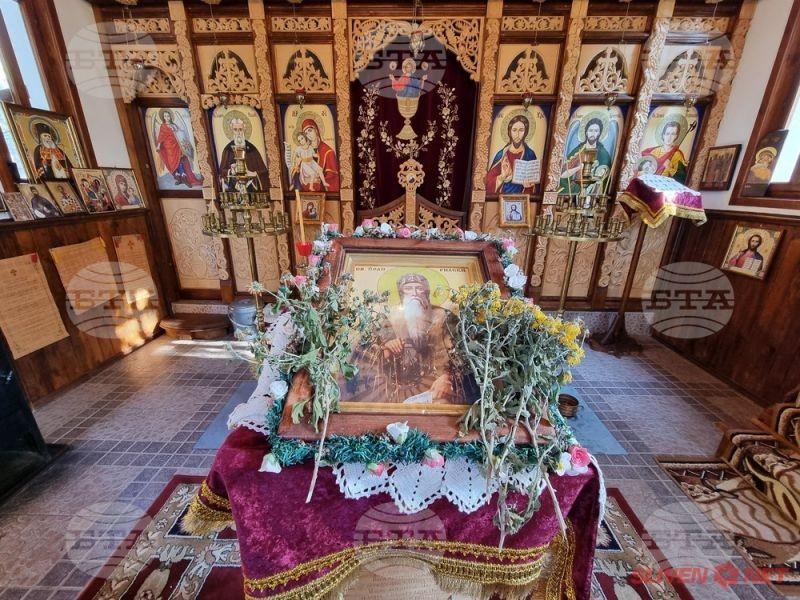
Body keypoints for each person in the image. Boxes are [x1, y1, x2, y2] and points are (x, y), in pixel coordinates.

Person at [344, 273, 459, 404]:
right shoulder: (387, 316)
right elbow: (364, 355)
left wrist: (448, 376)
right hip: (392, 389)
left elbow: (457, 352)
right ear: (401, 293)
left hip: (433, 387)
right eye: (408, 288)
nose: (414, 293)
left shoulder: (442, 316)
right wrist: (385, 350)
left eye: (419, 288)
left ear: (427, 292)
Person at [560, 117, 613, 193]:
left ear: (599, 133)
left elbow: (606, 171)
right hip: (576, 187)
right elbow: (563, 174)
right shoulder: (579, 150)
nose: (593, 134)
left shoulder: (602, 152)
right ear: (586, 132)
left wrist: (601, 172)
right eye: (590, 130)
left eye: (596, 131)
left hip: (593, 189)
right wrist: (578, 168)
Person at [487, 115, 537, 194]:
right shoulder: (501, 155)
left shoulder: (530, 155)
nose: (517, 134)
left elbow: (535, 183)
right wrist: (502, 177)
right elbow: (488, 182)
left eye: (521, 130)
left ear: (526, 132)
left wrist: (530, 186)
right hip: (501, 196)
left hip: (521, 197)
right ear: (509, 132)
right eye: (514, 130)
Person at [218, 116, 269, 192]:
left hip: (251, 188)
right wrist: (231, 171)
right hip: (234, 188)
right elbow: (222, 171)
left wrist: (254, 173)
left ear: (244, 130)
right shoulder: (228, 149)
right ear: (232, 130)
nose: (238, 132)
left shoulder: (251, 148)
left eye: (240, 129)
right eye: (235, 129)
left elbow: (263, 171)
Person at [155, 108, 202, 187]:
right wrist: (159, 145)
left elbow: (180, 133)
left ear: (170, 117)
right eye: (165, 116)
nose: (167, 118)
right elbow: (161, 136)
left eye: (168, 116)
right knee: (172, 163)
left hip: (176, 145)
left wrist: (175, 129)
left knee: (180, 160)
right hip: (168, 147)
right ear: (163, 117)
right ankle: (179, 178)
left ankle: (185, 179)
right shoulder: (163, 126)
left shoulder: (174, 125)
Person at [291, 118, 339, 192]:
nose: (309, 135)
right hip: (305, 187)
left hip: (322, 190)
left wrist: (319, 180)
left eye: (310, 131)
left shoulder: (328, 151)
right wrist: (297, 171)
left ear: (316, 130)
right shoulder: (303, 149)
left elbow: (332, 177)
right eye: (306, 133)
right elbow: (297, 172)